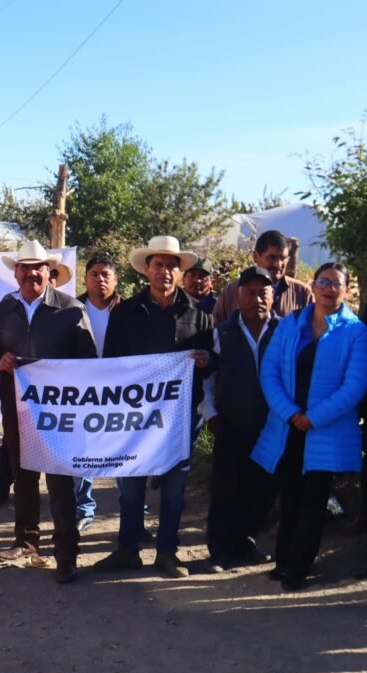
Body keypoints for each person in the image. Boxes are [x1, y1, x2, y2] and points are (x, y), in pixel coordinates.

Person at [95, 235, 212, 579]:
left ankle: (167, 554)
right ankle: (128, 551)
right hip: (133, 419)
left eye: (171, 265)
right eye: (158, 264)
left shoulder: (199, 315)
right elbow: (111, 364)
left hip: (179, 419)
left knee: (174, 491)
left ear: (180, 272)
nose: (165, 270)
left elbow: (213, 362)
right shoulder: (126, 313)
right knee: (130, 488)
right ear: (146, 269)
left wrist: (207, 360)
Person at [0, 241, 96, 584]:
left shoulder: (71, 309)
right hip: (16, 407)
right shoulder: (2, 311)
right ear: (15, 273)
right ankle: (27, 542)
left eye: (38, 267)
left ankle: (66, 556)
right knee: (23, 475)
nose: (31, 273)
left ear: (50, 272)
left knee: (60, 481)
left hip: (59, 413)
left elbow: (89, 361)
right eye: (24, 267)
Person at [251, 263, 367, 591]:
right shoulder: (290, 324)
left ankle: (298, 570)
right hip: (287, 427)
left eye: (337, 283)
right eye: (324, 281)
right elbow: (269, 371)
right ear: (313, 286)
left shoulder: (355, 331)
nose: (329, 288)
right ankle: (283, 561)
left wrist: (314, 417)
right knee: (289, 496)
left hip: (324, 431)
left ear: (346, 290)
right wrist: (289, 412)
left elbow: (355, 385)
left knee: (314, 501)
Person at [200, 266, 279, 571]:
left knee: (261, 488)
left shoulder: (284, 332)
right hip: (230, 423)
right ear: (237, 295)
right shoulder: (221, 334)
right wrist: (210, 413)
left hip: (272, 426)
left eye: (263, 292)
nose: (256, 298)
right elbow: (206, 377)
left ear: (273, 296)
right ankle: (220, 551)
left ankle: (245, 543)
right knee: (226, 488)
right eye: (250, 292)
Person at [70, 255, 123, 533]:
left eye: (106, 274)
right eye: (94, 274)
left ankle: (134, 514)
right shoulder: (71, 311)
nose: (100, 279)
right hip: (84, 393)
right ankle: (83, 509)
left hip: (122, 395)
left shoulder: (129, 313)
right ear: (85, 279)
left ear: (115, 281)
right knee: (83, 452)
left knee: (127, 453)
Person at [213, 230, 312, 324]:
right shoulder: (233, 292)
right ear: (256, 256)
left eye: (283, 258)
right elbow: (217, 332)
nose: (278, 264)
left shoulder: (302, 294)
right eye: (272, 257)